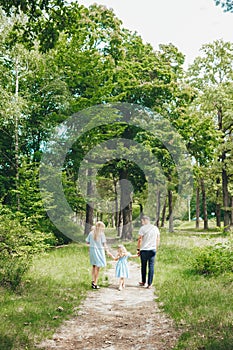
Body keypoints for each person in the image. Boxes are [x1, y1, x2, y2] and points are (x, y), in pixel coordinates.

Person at [137, 215, 160, 289]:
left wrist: (138, 249)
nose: (142, 223)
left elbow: (140, 239)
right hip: (152, 250)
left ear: (145, 220)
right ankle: (149, 284)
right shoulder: (155, 228)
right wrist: (156, 248)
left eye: (142, 221)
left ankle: (143, 282)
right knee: (151, 266)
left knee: (143, 266)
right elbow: (158, 239)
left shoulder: (142, 228)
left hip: (144, 250)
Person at [86, 221, 109, 289]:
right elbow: (104, 244)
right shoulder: (101, 234)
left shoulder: (91, 233)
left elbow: (87, 242)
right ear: (101, 227)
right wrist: (107, 251)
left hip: (92, 251)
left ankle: (93, 281)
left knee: (94, 266)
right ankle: (95, 283)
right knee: (97, 268)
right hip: (99, 251)